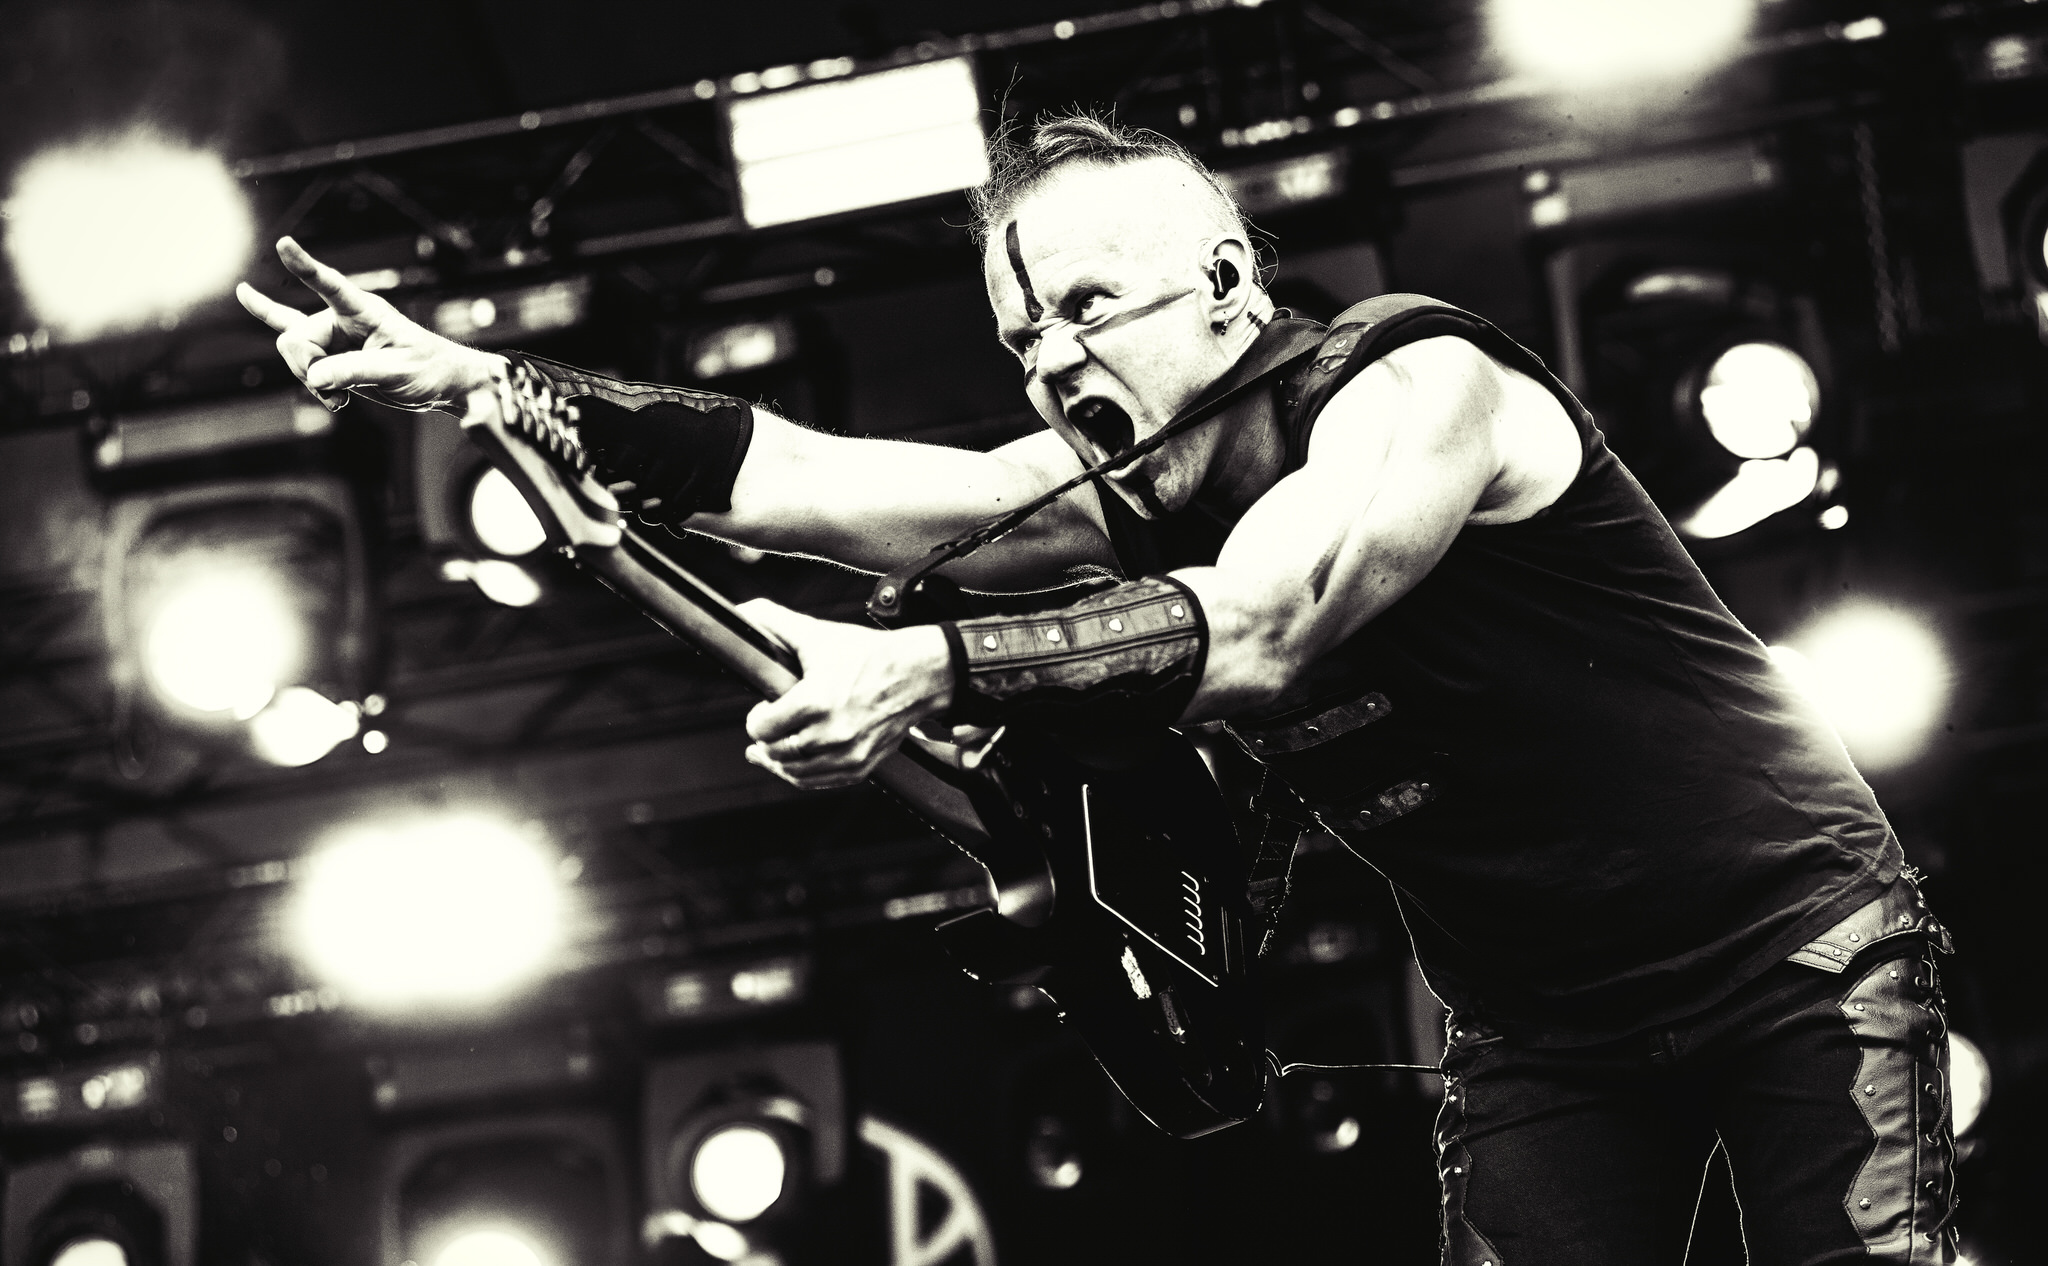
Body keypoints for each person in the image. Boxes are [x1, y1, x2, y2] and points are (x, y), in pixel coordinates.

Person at [238, 112, 1957, 1265]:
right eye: (1023, 337)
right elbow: (819, 479)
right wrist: (487, 383)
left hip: (1784, 940)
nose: (1054, 358)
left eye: (1087, 307)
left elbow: (1268, 618)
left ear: (1226, 285)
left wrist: (928, 659)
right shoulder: (1113, 491)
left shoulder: (1417, 382)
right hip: (1541, 1025)